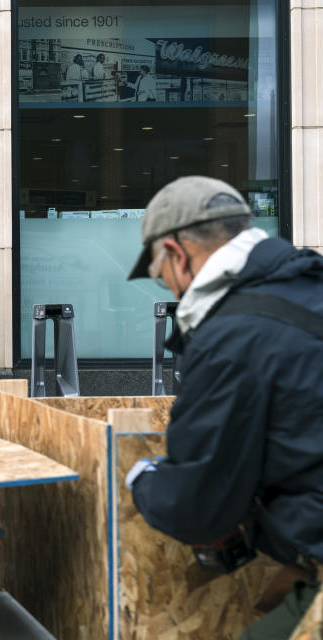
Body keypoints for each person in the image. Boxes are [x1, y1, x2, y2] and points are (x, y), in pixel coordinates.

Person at [125, 176, 323, 639]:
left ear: (177, 253)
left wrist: (146, 482)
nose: (170, 291)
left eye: (162, 275)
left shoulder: (230, 337)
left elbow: (198, 507)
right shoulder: (309, 285)